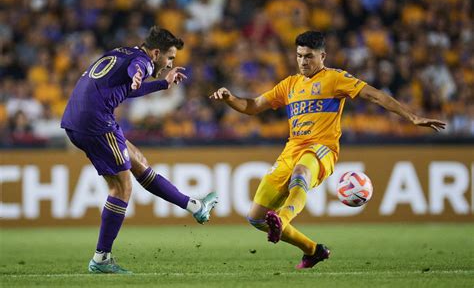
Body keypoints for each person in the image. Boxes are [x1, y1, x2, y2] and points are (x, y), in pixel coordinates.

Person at [210, 31, 446, 269]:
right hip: (291, 149)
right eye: (300, 56)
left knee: (301, 172)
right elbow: (253, 106)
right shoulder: (289, 85)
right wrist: (230, 98)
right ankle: (313, 251)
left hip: (322, 149)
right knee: (256, 217)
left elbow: (374, 95)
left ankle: (282, 219)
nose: (303, 61)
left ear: (322, 56)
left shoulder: (335, 78)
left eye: (309, 56)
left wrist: (412, 117)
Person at [61, 26, 218, 274]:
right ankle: (101, 258)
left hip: (80, 118)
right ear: (156, 53)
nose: (169, 64)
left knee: (138, 161)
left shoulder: (123, 52)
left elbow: (128, 86)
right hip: (95, 122)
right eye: (169, 58)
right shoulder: (143, 62)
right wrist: (138, 75)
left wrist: (161, 85)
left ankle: (195, 207)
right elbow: (138, 71)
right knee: (121, 187)